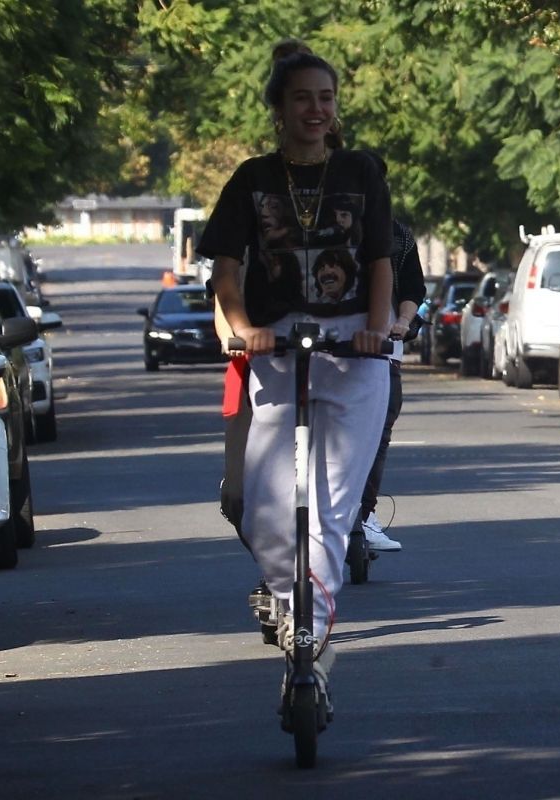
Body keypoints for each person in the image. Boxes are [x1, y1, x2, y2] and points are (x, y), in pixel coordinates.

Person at [200, 43, 393, 710]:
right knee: (263, 504)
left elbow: (378, 260)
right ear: (278, 109)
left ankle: (308, 631)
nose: (316, 109)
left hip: (352, 347)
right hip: (277, 344)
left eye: (326, 98)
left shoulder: (362, 171)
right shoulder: (251, 179)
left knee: (331, 507)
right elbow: (226, 268)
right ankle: (292, 609)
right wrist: (239, 325)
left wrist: (378, 325)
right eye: (303, 98)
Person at [355, 151, 427, 553]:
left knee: (377, 434)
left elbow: (414, 290)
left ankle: (363, 514)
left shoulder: (398, 236)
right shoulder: (324, 230)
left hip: (382, 354)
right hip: (328, 353)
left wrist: (402, 320)